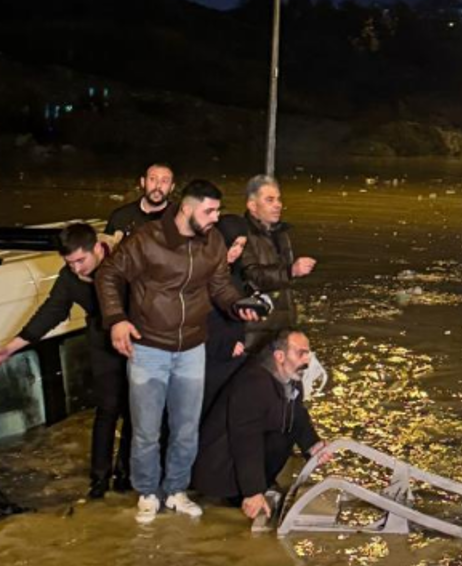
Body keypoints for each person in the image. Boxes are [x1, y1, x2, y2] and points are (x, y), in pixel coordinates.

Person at [96, 179, 261, 524]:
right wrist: (116, 320)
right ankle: (146, 492)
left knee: (186, 428)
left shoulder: (212, 241)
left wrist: (238, 306)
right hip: (148, 347)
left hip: (192, 347)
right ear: (187, 208)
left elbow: (219, 286)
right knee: (146, 429)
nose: (216, 217)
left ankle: (175, 490)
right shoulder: (148, 239)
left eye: (217, 210)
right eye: (209, 210)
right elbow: (109, 274)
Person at [0, 223, 130, 499]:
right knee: (107, 409)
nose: (77, 268)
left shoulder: (126, 261)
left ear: (98, 249)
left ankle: (127, 475)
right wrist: (8, 350)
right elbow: (49, 314)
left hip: (138, 340)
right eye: (70, 263)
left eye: (81, 260)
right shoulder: (70, 278)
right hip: (102, 343)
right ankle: (99, 481)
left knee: (137, 411)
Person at [192, 330, 330, 521]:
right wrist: (253, 491)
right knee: (272, 436)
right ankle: (239, 493)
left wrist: (313, 445)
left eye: (308, 353)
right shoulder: (253, 382)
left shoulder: (292, 378)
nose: (307, 360)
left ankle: (259, 485)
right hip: (221, 466)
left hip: (245, 457)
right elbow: (246, 440)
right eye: (301, 353)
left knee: (285, 431)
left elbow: (298, 416)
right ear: (279, 356)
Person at [241, 175, 316, 352]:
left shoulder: (281, 233)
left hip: (282, 325)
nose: (278, 205)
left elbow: (283, 282)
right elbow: (253, 276)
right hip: (255, 331)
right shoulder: (242, 234)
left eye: (279, 199)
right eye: (270, 200)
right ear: (252, 206)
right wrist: (291, 271)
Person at [201, 214, 250, 421]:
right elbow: (200, 320)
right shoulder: (203, 274)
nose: (237, 251)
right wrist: (225, 345)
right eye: (233, 244)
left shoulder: (234, 274)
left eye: (241, 245)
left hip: (231, 354)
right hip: (208, 359)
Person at [105, 162, 175, 237]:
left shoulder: (179, 219)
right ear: (143, 182)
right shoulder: (121, 216)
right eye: (152, 179)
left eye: (164, 181)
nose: (158, 186)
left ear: (172, 187)